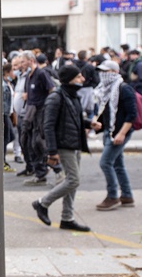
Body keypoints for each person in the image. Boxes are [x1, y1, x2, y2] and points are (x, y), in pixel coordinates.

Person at [31, 65, 101, 232]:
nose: (83, 79)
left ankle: (67, 218)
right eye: (78, 77)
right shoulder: (56, 97)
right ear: (69, 79)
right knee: (74, 180)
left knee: (72, 182)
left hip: (74, 143)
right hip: (63, 145)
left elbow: (74, 119)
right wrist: (52, 151)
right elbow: (48, 126)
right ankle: (42, 203)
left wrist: (89, 124)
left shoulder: (72, 95)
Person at [94, 60, 137, 210]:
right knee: (118, 164)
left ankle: (112, 196)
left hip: (119, 132)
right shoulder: (105, 89)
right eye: (101, 72)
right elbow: (104, 111)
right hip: (110, 130)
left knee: (105, 163)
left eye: (106, 71)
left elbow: (132, 115)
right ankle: (127, 196)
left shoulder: (124, 88)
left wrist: (121, 134)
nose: (103, 75)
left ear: (115, 72)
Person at [19, 51, 59, 186]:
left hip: (40, 113)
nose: (21, 64)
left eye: (23, 62)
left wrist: (49, 108)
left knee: (39, 142)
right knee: (30, 143)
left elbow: (51, 89)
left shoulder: (41, 74)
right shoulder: (28, 76)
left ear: (31, 60)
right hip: (30, 114)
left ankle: (58, 169)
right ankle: (40, 173)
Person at [2, 62, 16, 172]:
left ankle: (2, 159)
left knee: (10, 136)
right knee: (6, 137)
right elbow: (2, 102)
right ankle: (2, 160)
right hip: (4, 114)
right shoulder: (3, 85)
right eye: (13, 70)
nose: (14, 73)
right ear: (8, 72)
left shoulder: (8, 83)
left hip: (8, 114)